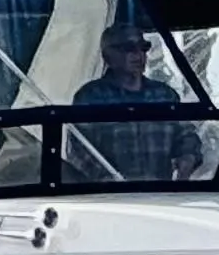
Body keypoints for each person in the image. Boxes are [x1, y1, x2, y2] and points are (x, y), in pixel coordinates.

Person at [70, 16, 200, 181]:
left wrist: (188, 157)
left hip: (163, 196)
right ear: (107, 55)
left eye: (143, 47)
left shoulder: (166, 95)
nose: (138, 55)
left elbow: (186, 136)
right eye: (128, 48)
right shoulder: (89, 97)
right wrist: (106, 179)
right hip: (109, 200)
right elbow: (79, 151)